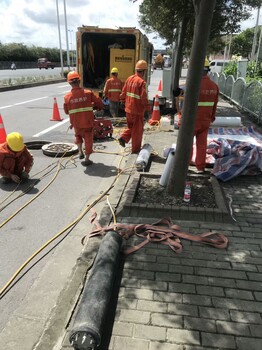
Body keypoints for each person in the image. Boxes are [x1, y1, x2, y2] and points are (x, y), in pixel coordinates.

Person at [64, 71, 104, 166]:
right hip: (87, 122)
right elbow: (99, 102)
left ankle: (80, 151)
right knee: (88, 139)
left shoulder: (67, 97)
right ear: (79, 81)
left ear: (69, 83)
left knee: (78, 136)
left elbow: (66, 111)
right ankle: (86, 159)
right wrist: (97, 107)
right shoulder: (88, 93)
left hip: (76, 123)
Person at [192, 58, 219, 173]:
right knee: (202, 145)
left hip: (192, 121)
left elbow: (186, 105)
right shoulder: (214, 86)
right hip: (206, 120)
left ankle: (184, 166)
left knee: (187, 144)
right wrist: (211, 117)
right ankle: (200, 168)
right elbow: (215, 105)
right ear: (208, 70)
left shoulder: (194, 85)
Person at [118, 60, 151, 153]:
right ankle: (135, 150)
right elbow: (143, 98)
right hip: (137, 111)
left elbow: (123, 93)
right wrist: (149, 109)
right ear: (144, 71)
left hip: (128, 109)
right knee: (137, 131)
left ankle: (123, 138)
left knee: (132, 127)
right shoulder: (141, 82)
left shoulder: (129, 79)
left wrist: (122, 101)